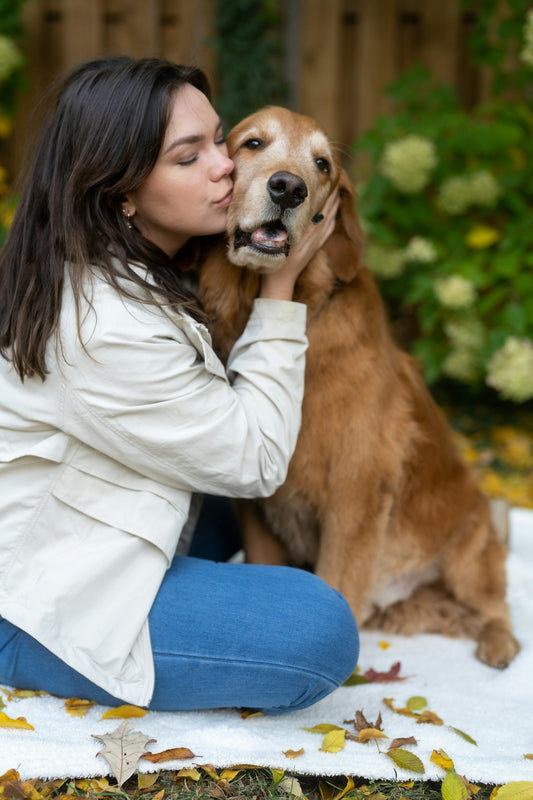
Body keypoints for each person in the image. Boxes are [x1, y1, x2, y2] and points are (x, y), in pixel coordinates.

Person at [0, 56, 359, 712]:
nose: (225, 166)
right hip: (30, 602)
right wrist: (281, 282)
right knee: (318, 629)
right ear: (121, 191)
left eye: (219, 140)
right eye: (187, 157)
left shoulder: (120, 260)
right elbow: (254, 460)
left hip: (78, 520)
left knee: (239, 513)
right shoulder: (103, 325)